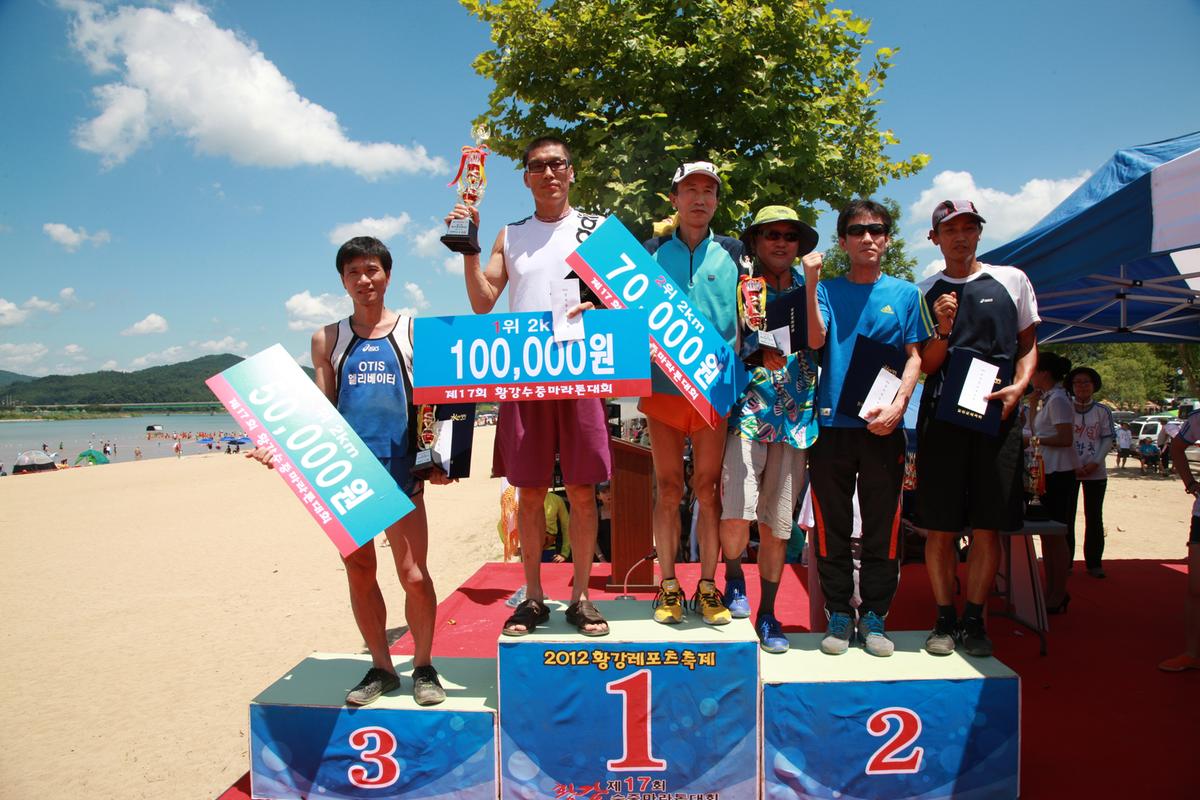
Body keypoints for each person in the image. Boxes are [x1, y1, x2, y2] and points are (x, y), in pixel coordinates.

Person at [246, 236, 448, 707]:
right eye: (354, 271)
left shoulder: (415, 330)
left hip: (402, 467)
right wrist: (276, 443)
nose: (364, 279)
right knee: (360, 569)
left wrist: (440, 459)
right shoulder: (328, 338)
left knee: (414, 574)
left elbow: (440, 404)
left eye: (372, 269)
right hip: (344, 470)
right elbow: (319, 408)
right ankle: (381, 667)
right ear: (342, 279)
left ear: (388, 274)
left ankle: (422, 665)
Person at [446, 135, 610, 637]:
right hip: (525, 377)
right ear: (525, 177)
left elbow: (629, 301)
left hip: (582, 371)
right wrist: (469, 248)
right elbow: (482, 302)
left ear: (572, 171)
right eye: (538, 166)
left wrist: (598, 304)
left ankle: (581, 598)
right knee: (531, 492)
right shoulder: (509, 234)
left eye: (557, 163)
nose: (549, 173)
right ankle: (535, 598)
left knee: (583, 491)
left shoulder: (597, 230)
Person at [804, 199, 932, 657]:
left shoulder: (905, 293)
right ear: (842, 241)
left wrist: (900, 405)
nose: (868, 238)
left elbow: (916, 357)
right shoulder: (824, 288)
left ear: (888, 238)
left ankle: (875, 615)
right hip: (831, 425)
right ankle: (839, 612)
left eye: (877, 230)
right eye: (857, 231)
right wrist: (813, 281)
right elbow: (816, 341)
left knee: (883, 526)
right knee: (832, 523)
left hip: (882, 427)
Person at [915, 199, 1039, 658]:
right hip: (942, 418)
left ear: (979, 234)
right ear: (935, 238)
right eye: (951, 230)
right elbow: (926, 366)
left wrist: (1020, 387)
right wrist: (943, 327)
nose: (961, 236)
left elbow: (1028, 345)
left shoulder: (1012, 279)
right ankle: (944, 618)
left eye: (969, 228)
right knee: (940, 528)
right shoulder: (923, 290)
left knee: (989, 527)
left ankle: (974, 620)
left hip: (996, 416)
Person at [640, 160, 743, 626]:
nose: (700, 199)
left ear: (717, 200)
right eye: (690, 190)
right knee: (667, 490)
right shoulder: (650, 250)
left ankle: (706, 585)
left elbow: (753, 317)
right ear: (675, 199)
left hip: (712, 389)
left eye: (709, 191)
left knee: (707, 490)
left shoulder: (736, 251)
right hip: (661, 390)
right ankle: (667, 584)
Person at [718, 205, 820, 653]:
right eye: (771, 235)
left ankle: (769, 613)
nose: (781, 242)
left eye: (789, 236)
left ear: (799, 246)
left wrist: (813, 285)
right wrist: (751, 354)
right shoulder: (740, 287)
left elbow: (818, 340)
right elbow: (722, 341)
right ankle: (735, 577)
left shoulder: (812, 288)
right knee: (737, 511)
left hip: (796, 421)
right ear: (756, 243)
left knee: (779, 526)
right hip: (746, 415)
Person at [1027, 352, 1076, 612]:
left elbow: (1064, 438)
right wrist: (1033, 405)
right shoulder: (1046, 399)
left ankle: (1059, 592)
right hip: (1045, 471)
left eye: (1034, 370)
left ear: (1044, 373)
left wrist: (1035, 441)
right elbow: (1036, 430)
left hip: (1060, 472)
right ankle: (1050, 591)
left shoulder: (1058, 400)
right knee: (1047, 536)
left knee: (1056, 535)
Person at [1160, 408, 1200, 671]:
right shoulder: (1198, 418)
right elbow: (1177, 447)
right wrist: (1191, 483)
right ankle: (1192, 654)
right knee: (1196, 587)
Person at [1067, 367, 1113, 578]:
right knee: (1066, 517)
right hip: (1068, 468)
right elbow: (1061, 436)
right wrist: (1074, 463)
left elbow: (1107, 438)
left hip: (1096, 471)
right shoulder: (1064, 407)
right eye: (1077, 382)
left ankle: (1094, 563)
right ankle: (1065, 562)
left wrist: (1095, 462)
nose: (1082, 386)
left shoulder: (1103, 411)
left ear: (1094, 385)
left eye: (1086, 382)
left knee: (1094, 516)